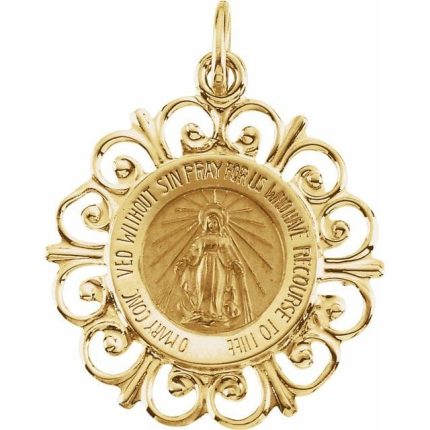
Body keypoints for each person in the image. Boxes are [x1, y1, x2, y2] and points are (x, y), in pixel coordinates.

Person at [174, 204, 252, 327]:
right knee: (203, 287)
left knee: (217, 287)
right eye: (209, 222)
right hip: (203, 265)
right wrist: (185, 261)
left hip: (219, 265)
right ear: (205, 223)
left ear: (219, 224)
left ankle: (216, 313)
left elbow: (229, 254)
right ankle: (201, 311)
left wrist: (235, 263)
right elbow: (192, 252)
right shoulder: (201, 239)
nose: (212, 225)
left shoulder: (223, 240)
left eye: (214, 222)